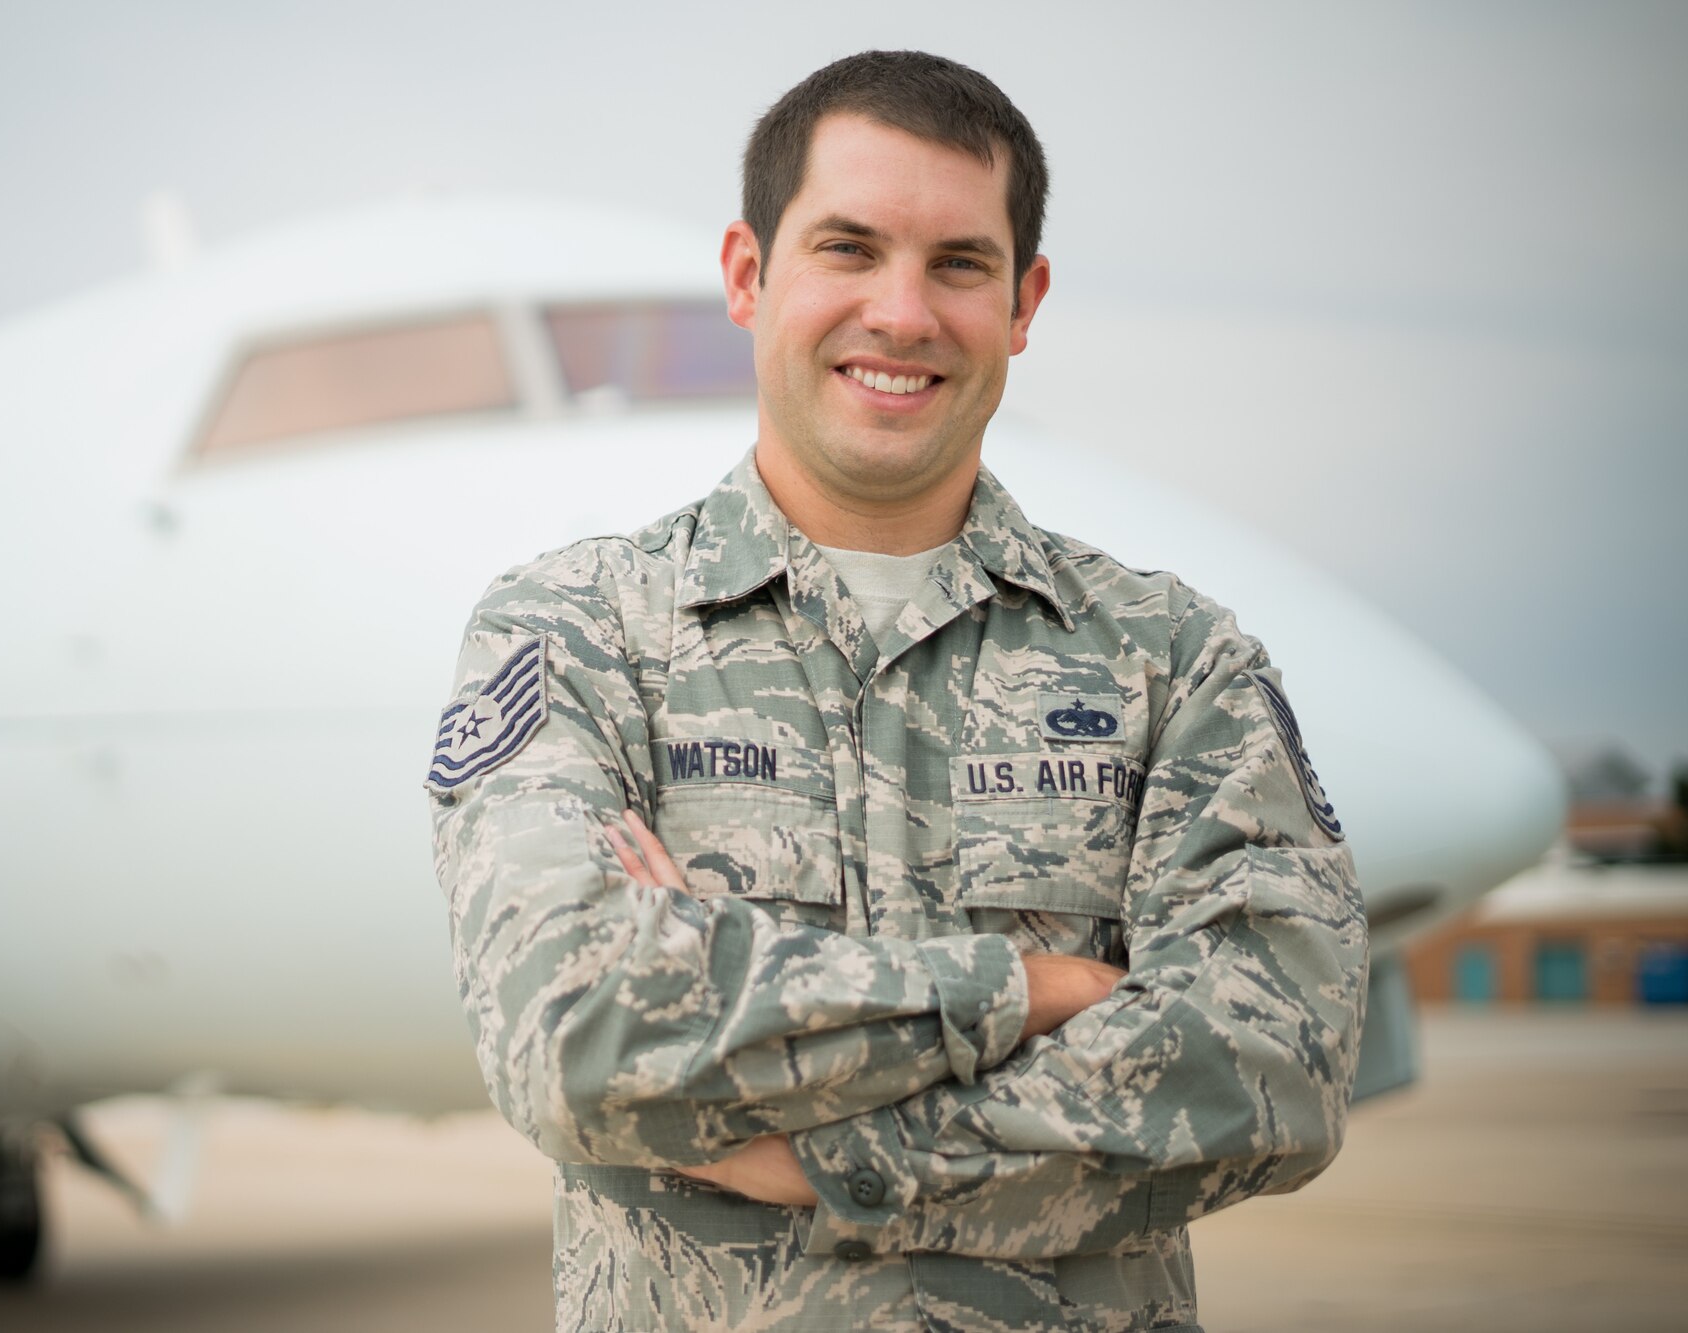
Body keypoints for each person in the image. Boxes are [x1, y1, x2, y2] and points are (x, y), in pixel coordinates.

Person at [426, 49, 1366, 1333]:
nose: (903, 313)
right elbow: (579, 1032)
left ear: (1024, 299)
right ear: (750, 277)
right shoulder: (581, 632)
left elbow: (1275, 1066)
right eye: (848, 249)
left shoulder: (1171, 659)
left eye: (958, 264)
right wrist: (1030, 993)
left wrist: (817, 1153)